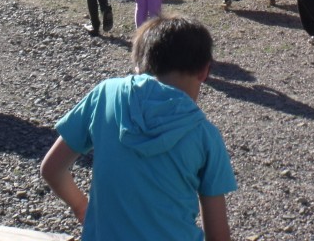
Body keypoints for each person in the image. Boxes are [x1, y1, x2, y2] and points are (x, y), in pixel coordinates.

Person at [40, 14, 236, 241]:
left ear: (138, 67)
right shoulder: (205, 136)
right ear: (205, 71)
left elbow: (52, 169)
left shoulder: (106, 94)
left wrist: (81, 207)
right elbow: (218, 235)